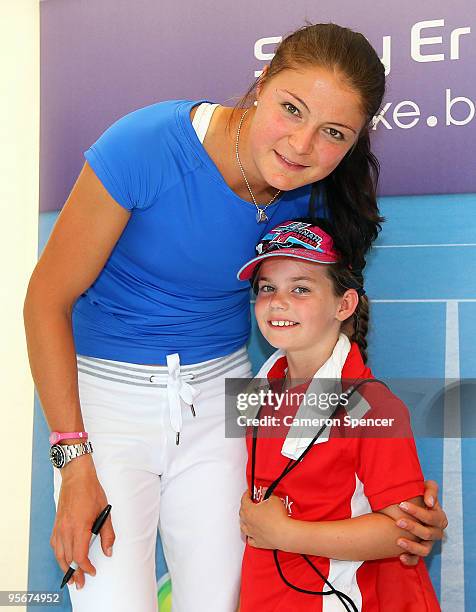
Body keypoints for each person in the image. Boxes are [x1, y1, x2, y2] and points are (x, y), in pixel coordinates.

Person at [23, 23, 446, 612]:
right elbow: (45, 300)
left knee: (227, 601)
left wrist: (398, 501)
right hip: (105, 403)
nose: (301, 146)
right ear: (261, 83)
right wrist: (72, 461)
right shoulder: (145, 146)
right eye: (291, 110)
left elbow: (329, 340)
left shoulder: (320, 194)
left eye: (333, 133)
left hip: (225, 400)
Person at [237, 218, 441, 611]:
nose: (278, 301)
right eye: (267, 288)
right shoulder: (257, 389)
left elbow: (402, 534)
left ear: (344, 304)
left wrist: (286, 533)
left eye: (300, 288)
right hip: (270, 596)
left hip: (337, 599)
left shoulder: (371, 407)